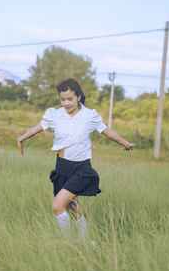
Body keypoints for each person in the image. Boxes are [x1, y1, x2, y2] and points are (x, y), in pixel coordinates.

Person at [17, 78, 135, 240]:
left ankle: (67, 243)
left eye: (70, 99)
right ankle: (86, 244)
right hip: (61, 168)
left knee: (57, 205)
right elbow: (35, 129)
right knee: (73, 209)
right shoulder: (55, 115)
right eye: (62, 99)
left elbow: (108, 132)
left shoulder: (89, 116)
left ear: (78, 97)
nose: (66, 103)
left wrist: (125, 143)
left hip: (81, 169)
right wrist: (21, 138)